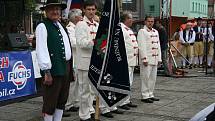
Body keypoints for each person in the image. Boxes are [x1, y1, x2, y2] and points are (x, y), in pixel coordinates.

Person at [35, 0, 73, 121]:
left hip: (65, 67)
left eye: (57, 9)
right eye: (51, 9)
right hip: (53, 69)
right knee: (50, 101)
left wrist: (71, 69)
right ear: (46, 11)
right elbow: (41, 49)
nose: (55, 11)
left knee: (62, 100)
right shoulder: (42, 26)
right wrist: (46, 71)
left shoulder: (61, 25)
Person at [75, 1, 113, 120]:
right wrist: (97, 42)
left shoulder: (97, 25)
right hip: (84, 63)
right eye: (89, 9)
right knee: (84, 91)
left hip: (96, 62)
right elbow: (81, 43)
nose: (91, 11)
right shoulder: (81, 24)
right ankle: (83, 115)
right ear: (84, 10)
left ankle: (90, 111)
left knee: (93, 91)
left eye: (93, 9)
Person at [137, 16, 162, 103]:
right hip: (147, 59)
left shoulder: (156, 31)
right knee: (145, 78)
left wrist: (159, 58)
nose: (150, 23)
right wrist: (144, 59)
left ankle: (150, 94)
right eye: (149, 21)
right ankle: (144, 95)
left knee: (153, 78)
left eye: (152, 21)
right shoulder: (142, 31)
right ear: (145, 22)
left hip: (154, 59)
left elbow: (158, 46)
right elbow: (141, 46)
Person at [118, 11, 138, 110]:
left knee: (129, 82)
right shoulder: (121, 29)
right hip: (126, 60)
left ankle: (127, 99)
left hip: (131, 60)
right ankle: (122, 102)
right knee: (125, 82)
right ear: (125, 19)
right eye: (130, 18)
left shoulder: (128, 29)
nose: (132, 20)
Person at [65, 8, 83, 113]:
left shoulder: (77, 27)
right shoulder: (70, 28)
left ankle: (76, 102)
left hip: (79, 59)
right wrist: (84, 41)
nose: (82, 17)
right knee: (71, 84)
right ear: (76, 17)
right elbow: (73, 43)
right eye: (81, 15)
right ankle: (68, 104)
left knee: (77, 83)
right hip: (73, 59)